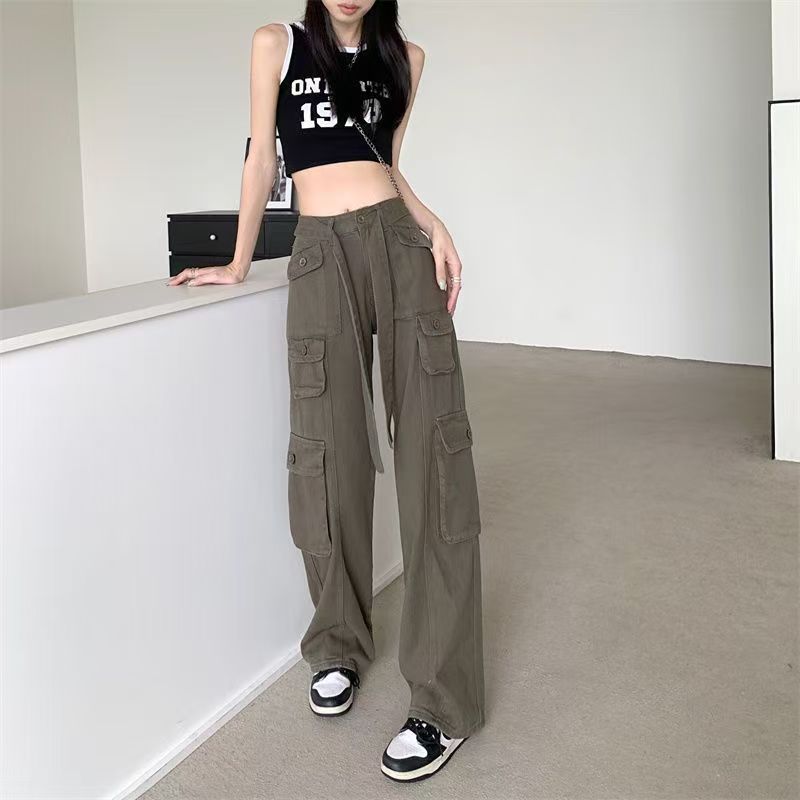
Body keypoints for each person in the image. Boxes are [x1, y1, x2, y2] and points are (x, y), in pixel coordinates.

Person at [167, 0, 485, 782]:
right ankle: (339, 641)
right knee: (324, 455)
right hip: (316, 253)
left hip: (397, 245)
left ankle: (443, 701)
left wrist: (433, 223)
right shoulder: (276, 45)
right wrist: (239, 260)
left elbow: (388, 164)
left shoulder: (406, 59)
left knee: (433, 457)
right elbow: (262, 161)